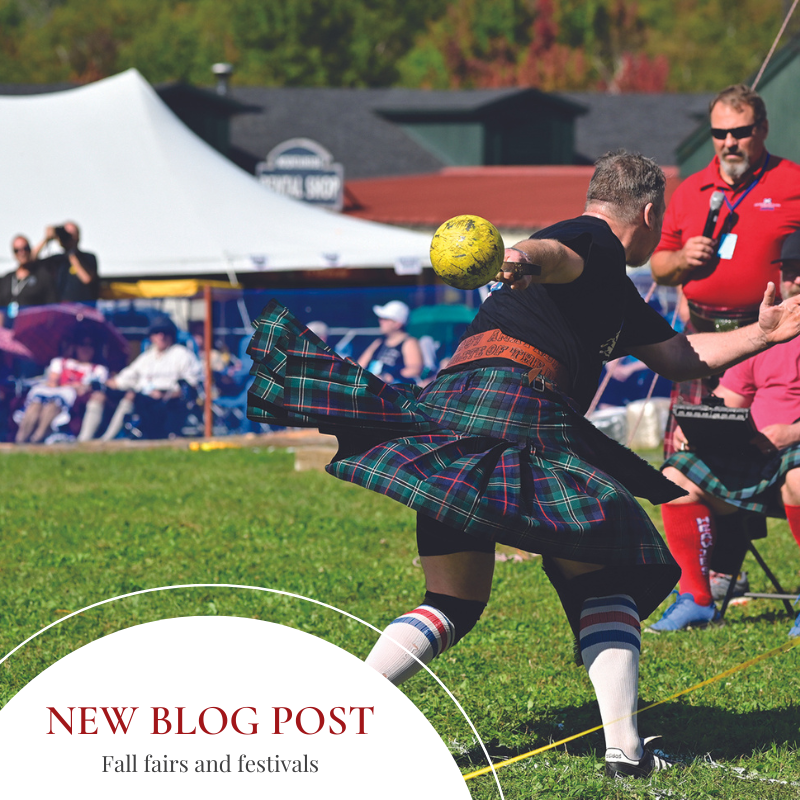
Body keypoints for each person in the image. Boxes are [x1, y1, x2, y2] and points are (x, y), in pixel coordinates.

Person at [245, 151, 800, 779]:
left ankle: (341, 715)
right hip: (518, 414)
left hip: (454, 410)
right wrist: (520, 259)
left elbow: (679, 353)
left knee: (454, 601)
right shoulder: (588, 239)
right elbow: (553, 253)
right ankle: (624, 753)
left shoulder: (616, 291)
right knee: (605, 578)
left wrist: (763, 333)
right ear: (649, 213)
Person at [651, 230, 800, 636]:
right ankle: (696, 600)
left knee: (798, 479)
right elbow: (731, 396)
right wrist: (704, 427)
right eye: (790, 270)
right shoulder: (767, 332)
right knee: (675, 476)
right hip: (754, 455)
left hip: (792, 455)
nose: (797, 279)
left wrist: (791, 433)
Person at [650, 84, 800, 454]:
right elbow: (657, 267)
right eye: (719, 133)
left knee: (757, 454)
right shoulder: (690, 190)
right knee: (687, 459)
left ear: (762, 129)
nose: (729, 142)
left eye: (740, 132)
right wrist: (682, 259)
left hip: (769, 337)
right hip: (700, 341)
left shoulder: (792, 182)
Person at [101, 315, 201, 440]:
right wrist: (110, 382)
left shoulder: (182, 355)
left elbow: (191, 385)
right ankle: (106, 437)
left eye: (165, 332)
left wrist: (165, 395)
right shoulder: (147, 357)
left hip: (171, 403)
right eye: (157, 333)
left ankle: (108, 438)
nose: (161, 336)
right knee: (117, 395)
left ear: (171, 335)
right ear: (151, 336)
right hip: (145, 400)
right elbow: (128, 376)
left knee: (134, 397)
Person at [14, 330, 108, 443]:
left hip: (70, 404)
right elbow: (53, 381)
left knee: (52, 407)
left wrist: (72, 387)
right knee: (36, 405)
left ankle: (37, 439)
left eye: (90, 345)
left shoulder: (98, 370)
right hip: (52, 394)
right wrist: (73, 386)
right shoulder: (60, 362)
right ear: (75, 346)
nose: (85, 349)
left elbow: (89, 389)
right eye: (82, 344)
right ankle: (21, 439)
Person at [357, 300, 423, 384]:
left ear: (397, 324)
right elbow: (358, 366)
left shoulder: (409, 343)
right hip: (370, 387)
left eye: (385, 319)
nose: (380, 321)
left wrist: (388, 377)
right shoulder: (378, 342)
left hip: (393, 391)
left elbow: (415, 370)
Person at [33, 222, 100, 303]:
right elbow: (31, 259)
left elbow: (86, 278)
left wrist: (71, 252)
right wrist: (46, 239)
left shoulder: (88, 257)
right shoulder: (57, 260)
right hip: (62, 309)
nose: (67, 237)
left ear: (78, 236)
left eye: (71, 234)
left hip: (83, 309)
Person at [0, 235, 56, 323]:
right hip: (9, 331)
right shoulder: (6, 279)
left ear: (30, 249)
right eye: (17, 250)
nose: (22, 253)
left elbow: (51, 308)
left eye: (25, 248)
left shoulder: (42, 276)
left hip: (32, 329)